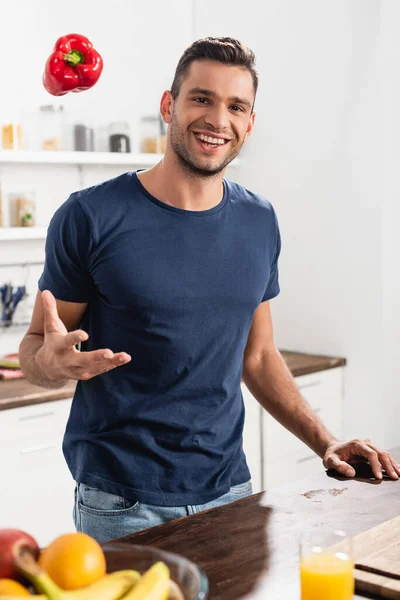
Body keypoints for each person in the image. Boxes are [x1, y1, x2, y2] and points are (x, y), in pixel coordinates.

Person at [20, 37, 399, 543]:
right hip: (122, 501)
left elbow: (259, 356)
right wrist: (52, 365)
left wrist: (325, 442)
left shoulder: (258, 219)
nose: (217, 119)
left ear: (249, 123)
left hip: (230, 490)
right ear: (168, 105)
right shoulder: (90, 216)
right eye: (201, 98)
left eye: (235, 106)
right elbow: (33, 352)